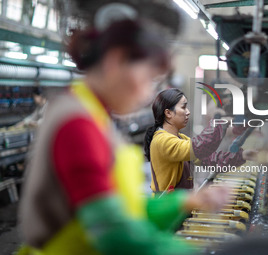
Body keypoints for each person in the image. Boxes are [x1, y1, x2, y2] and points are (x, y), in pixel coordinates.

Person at [18, 2, 231, 255]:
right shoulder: (77, 124)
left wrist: (184, 202)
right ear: (116, 60)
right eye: (149, 78)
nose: (149, 93)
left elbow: (122, 209)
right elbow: (114, 233)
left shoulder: (93, 116)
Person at [144, 88, 257, 193]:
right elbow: (201, 147)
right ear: (168, 113)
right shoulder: (162, 140)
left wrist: (242, 156)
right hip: (168, 210)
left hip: (182, 206)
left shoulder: (181, 139)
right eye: (183, 108)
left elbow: (210, 160)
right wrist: (219, 122)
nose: (188, 112)